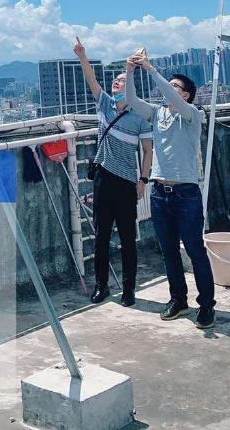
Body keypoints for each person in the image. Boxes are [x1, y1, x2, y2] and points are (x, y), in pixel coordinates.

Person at [125, 49, 216, 329]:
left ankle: (207, 305)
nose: (170, 90)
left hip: (185, 194)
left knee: (195, 251)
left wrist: (151, 69)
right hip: (159, 193)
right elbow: (131, 100)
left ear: (186, 95)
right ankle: (178, 299)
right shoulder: (157, 114)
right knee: (169, 251)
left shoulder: (192, 115)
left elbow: (171, 95)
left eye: (176, 87)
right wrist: (130, 71)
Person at [73, 38, 153, 307]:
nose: (115, 83)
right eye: (115, 81)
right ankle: (102, 285)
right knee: (102, 236)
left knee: (128, 239)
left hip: (127, 181)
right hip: (103, 178)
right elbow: (91, 79)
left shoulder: (140, 116)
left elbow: (148, 151)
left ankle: (129, 289)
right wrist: (82, 56)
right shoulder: (105, 104)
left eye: (121, 81)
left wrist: (143, 179)